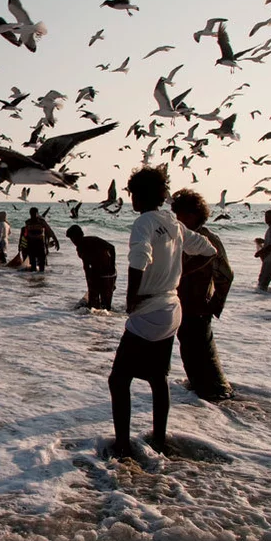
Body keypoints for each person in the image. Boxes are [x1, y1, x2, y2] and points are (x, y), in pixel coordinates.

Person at [109, 166, 217, 458]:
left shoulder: (144, 221)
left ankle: (122, 445)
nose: (130, 200)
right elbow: (208, 251)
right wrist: (177, 276)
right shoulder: (174, 222)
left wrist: (132, 296)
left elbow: (139, 257)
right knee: (158, 378)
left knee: (118, 379)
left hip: (149, 309)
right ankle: (159, 440)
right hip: (172, 308)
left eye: (131, 194)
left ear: (139, 195)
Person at [170, 189, 234, 402]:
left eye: (184, 215)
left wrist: (215, 304)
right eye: (177, 214)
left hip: (198, 306)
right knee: (190, 350)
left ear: (196, 214)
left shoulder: (205, 238)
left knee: (201, 352)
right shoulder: (186, 237)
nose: (179, 219)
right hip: (185, 305)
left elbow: (226, 274)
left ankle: (217, 394)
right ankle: (204, 393)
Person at [65, 225, 116, 310]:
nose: (74, 241)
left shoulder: (93, 240)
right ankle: (92, 321)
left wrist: (112, 265)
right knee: (93, 305)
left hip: (107, 273)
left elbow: (111, 248)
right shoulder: (80, 249)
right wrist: (89, 282)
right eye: (72, 239)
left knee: (106, 305)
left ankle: (106, 321)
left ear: (81, 235)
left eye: (74, 238)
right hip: (95, 273)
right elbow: (86, 267)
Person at [24, 208, 59, 272]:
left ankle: (40, 278)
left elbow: (49, 231)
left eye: (34, 214)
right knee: (33, 264)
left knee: (41, 264)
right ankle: (34, 279)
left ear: (37, 214)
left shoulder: (41, 222)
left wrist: (56, 240)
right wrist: (23, 245)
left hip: (39, 244)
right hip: (31, 245)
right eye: (32, 214)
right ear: (30, 214)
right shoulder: (28, 222)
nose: (33, 215)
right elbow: (25, 234)